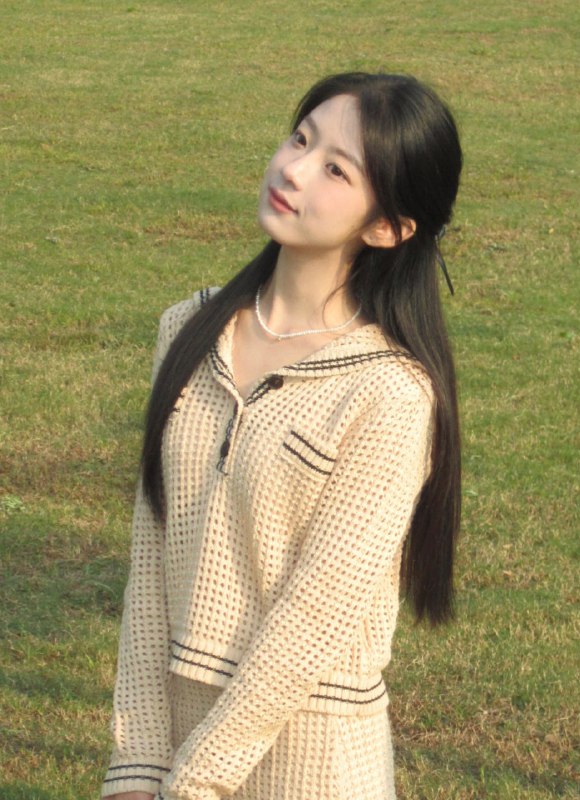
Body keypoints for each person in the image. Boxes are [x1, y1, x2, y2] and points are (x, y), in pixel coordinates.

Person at [102, 71, 462, 800]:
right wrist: (135, 764)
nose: (293, 170)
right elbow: (151, 560)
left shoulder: (389, 393)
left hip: (313, 764)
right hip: (175, 745)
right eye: (300, 139)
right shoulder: (187, 329)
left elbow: (312, 622)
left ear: (388, 227)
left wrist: (191, 784)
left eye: (336, 169)